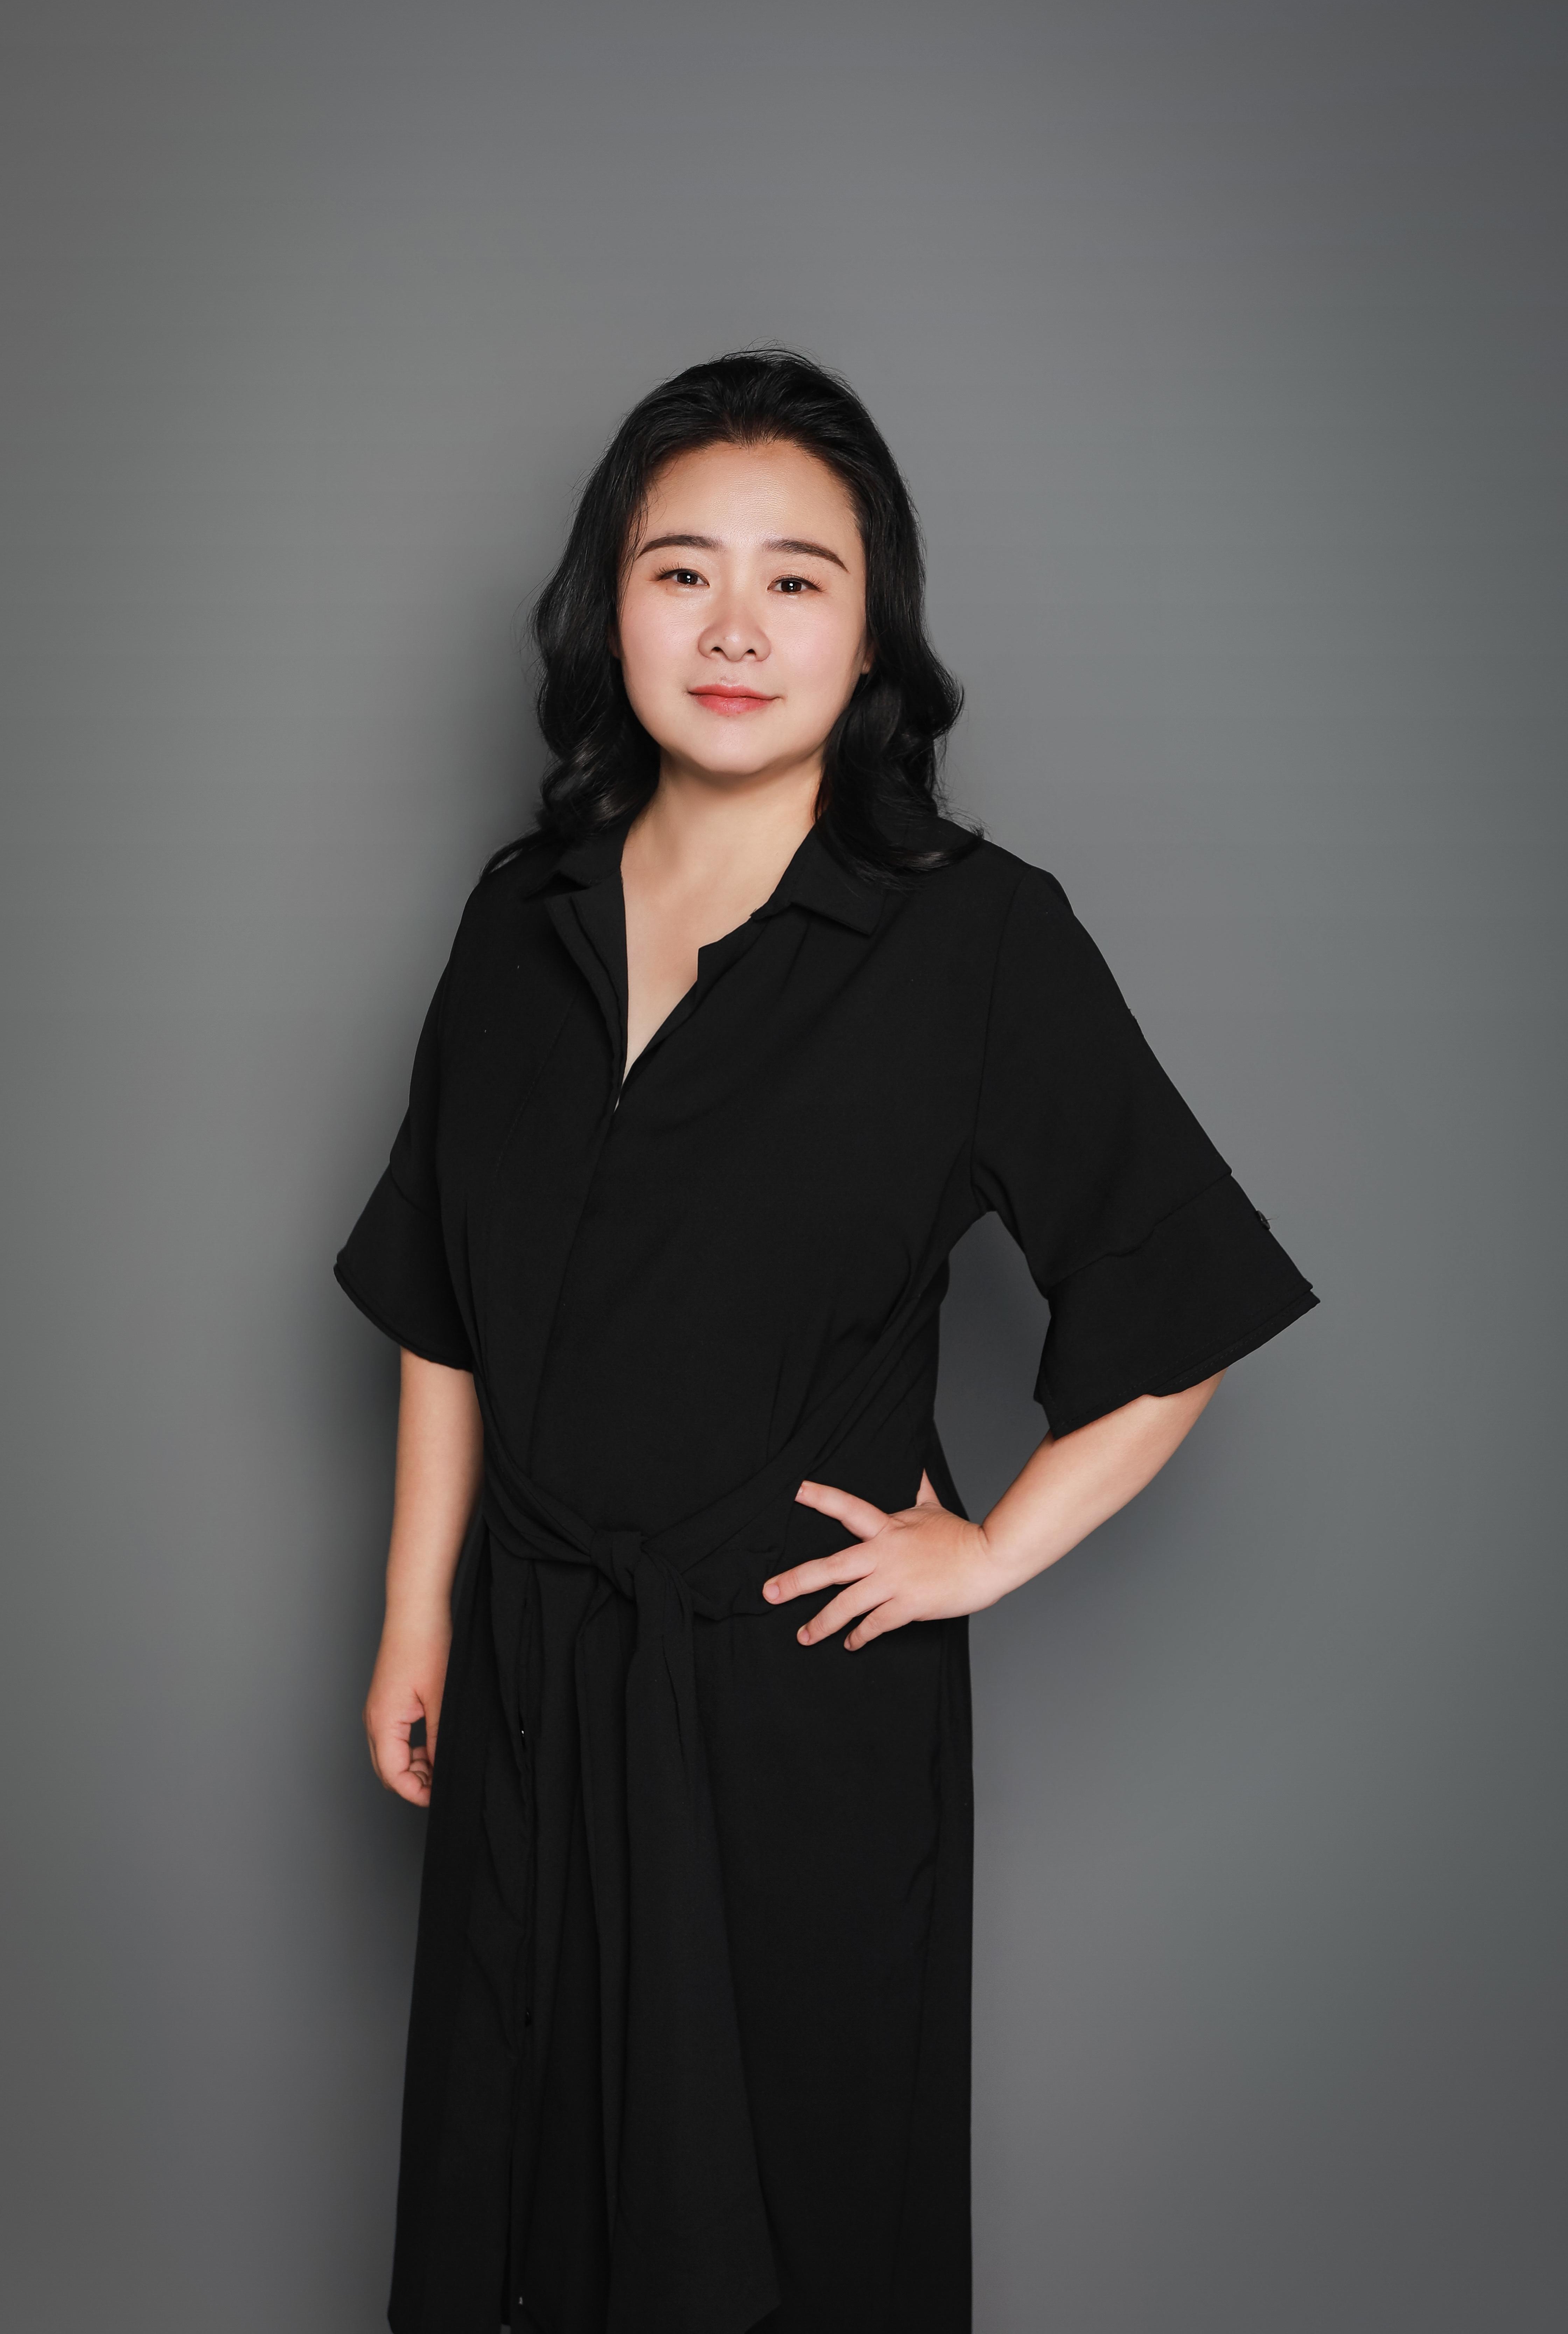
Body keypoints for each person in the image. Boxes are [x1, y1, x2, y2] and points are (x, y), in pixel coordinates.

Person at [334, 350, 1316, 2334]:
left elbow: (1182, 1298)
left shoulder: (974, 937)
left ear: (872, 635)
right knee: (515, 2204)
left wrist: (991, 1549)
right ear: (607, 609)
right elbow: (443, 1304)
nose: (735, 627)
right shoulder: (517, 918)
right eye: (681, 571)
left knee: (794, 2233)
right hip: (532, 1680)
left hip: (795, 1717)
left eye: (797, 579)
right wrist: (418, 1614)